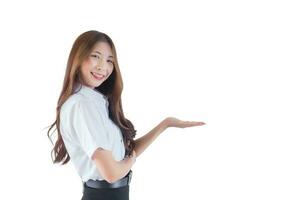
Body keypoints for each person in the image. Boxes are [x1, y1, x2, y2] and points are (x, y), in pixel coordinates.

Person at [47, 30, 206, 200]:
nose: (103, 66)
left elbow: (128, 154)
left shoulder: (96, 101)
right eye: (95, 56)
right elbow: (112, 173)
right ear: (78, 58)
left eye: (110, 60)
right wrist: (131, 161)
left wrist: (165, 124)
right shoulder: (82, 105)